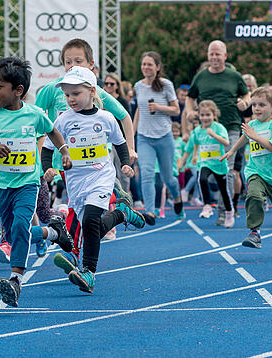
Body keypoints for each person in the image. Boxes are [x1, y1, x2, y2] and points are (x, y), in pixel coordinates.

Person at [0, 57, 71, 305]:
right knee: (12, 234)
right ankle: (53, 232)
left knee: (20, 226)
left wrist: (64, 150)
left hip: (28, 183)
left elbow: (52, 131)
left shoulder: (34, 114)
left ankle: (15, 280)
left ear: (18, 90)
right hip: (3, 184)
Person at [45, 65, 154, 293]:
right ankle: (122, 214)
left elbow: (119, 142)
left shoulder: (105, 118)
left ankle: (89, 272)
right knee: (91, 227)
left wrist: (125, 163)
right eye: (67, 95)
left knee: (91, 219)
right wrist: (47, 168)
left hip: (101, 176)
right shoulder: (63, 120)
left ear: (92, 92)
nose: (70, 99)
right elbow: (48, 146)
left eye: (76, 93)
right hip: (75, 181)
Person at [35, 39, 137, 225]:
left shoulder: (94, 91)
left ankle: (112, 203)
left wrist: (130, 148)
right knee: (80, 214)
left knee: (88, 216)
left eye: (78, 61)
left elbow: (124, 117)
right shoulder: (51, 89)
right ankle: (116, 209)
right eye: (68, 62)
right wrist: (42, 158)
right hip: (63, 161)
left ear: (91, 65)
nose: (72, 66)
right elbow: (38, 125)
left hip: (96, 162)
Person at [221, 87, 272, 252]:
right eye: (254, 104)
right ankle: (254, 232)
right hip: (255, 170)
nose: (256, 108)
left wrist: (255, 136)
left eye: (261, 105)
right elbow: (245, 136)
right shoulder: (253, 125)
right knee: (254, 195)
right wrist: (232, 150)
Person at [183, 40, 251, 223]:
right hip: (207, 130)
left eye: (217, 54)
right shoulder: (201, 77)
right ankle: (220, 206)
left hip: (231, 126)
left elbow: (246, 94)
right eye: (211, 54)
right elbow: (190, 98)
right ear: (208, 56)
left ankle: (224, 211)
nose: (214, 57)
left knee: (227, 169)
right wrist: (190, 111)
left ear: (225, 56)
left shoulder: (234, 76)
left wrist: (245, 102)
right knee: (209, 168)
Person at [134, 51, 183, 218]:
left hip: (163, 136)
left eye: (149, 64)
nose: (146, 67)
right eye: (144, 64)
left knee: (168, 177)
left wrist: (159, 107)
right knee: (146, 173)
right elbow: (139, 111)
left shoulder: (166, 85)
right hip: (144, 137)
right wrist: (131, 136)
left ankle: (177, 197)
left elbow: (176, 109)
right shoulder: (138, 86)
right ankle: (150, 211)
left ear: (157, 67)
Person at [181, 100, 232, 224]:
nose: (205, 118)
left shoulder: (218, 128)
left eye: (208, 115)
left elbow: (226, 143)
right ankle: (207, 206)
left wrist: (214, 135)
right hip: (205, 162)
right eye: (202, 115)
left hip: (219, 163)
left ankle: (229, 213)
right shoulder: (197, 131)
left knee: (223, 190)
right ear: (199, 116)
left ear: (214, 115)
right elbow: (195, 144)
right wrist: (193, 156)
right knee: (201, 178)